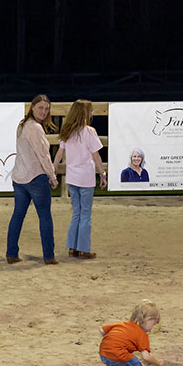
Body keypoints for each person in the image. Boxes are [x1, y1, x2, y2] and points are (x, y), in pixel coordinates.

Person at [6, 94, 59, 265]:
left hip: (20, 177)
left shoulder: (22, 125)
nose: (44, 111)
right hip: (35, 177)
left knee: (18, 215)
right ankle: (49, 256)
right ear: (33, 107)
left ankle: (11, 253)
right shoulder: (35, 128)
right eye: (41, 108)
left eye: (46, 109)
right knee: (45, 217)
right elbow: (43, 155)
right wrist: (52, 176)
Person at [53, 99, 106, 259]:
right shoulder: (89, 132)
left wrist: (53, 169)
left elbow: (59, 154)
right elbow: (96, 156)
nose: (92, 113)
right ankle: (83, 248)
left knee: (76, 212)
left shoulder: (67, 131)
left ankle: (72, 247)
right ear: (85, 113)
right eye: (90, 110)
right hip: (85, 178)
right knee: (85, 214)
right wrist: (103, 174)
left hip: (72, 177)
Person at [99, 300, 164, 366]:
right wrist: (158, 362)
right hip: (118, 354)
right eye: (153, 325)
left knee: (114, 365)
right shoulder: (141, 334)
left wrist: (111, 343)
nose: (151, 329)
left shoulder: (122, 324)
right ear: (148, 319)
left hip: (104, 353)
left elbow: (102, 330)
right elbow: (146, 357)